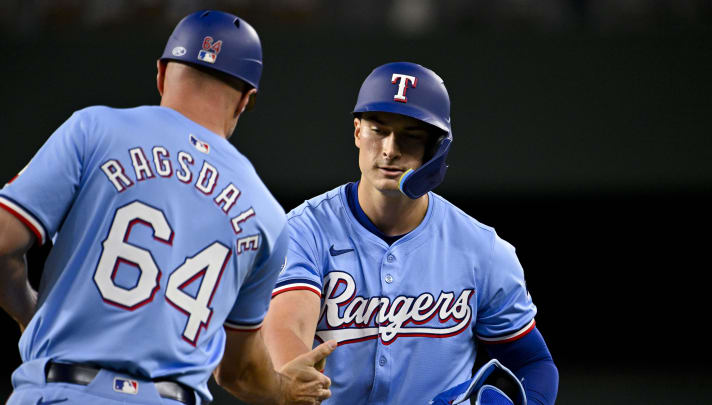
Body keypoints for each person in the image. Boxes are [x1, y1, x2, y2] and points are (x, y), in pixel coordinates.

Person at [0, 10, 335, 405]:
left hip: (65, 390)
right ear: (246, 100)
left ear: (161, 73)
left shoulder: (94, 130)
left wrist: (27, 310)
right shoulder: (267, 215)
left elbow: (3, 242)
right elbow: (239, 371)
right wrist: (284, 389)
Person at [263, 62, 559, 404]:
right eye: (379, 129)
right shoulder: (305, 229)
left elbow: (533, 362)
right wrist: (289, 371)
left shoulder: (482, 250)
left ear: (435, 149)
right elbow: (287, 324)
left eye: (410, 135)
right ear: (357, 131)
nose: (390, 149)